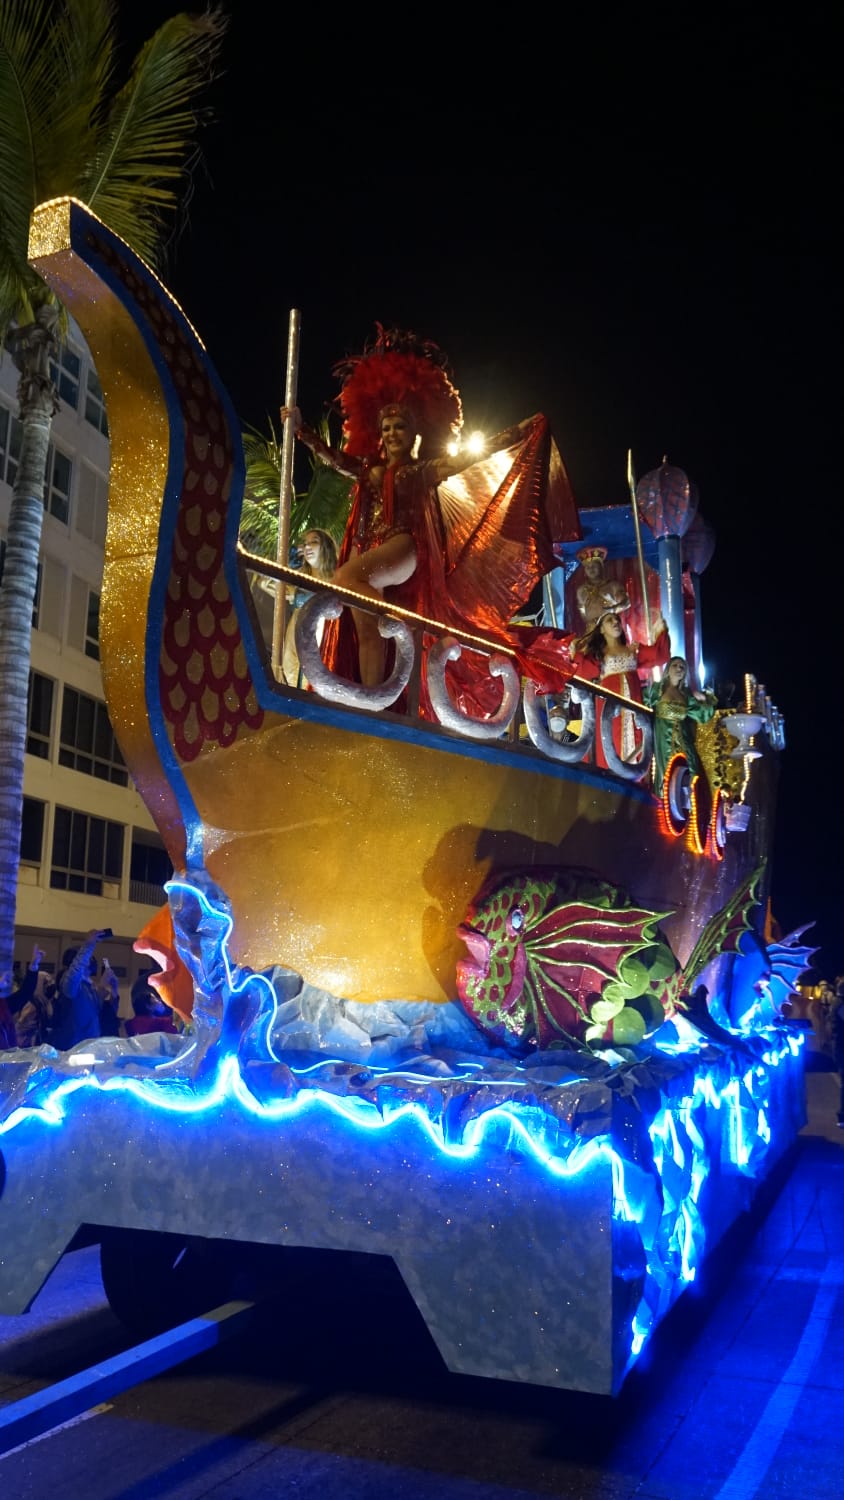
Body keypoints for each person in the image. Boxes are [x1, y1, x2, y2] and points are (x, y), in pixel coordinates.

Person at [281, 324, 581, 699]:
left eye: (399, 426)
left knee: (345, 577)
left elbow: (469, 459)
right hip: (375, 550)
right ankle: (372, 699)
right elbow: (336, 459)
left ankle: (384, 657)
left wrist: (517, 433)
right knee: (365, 631)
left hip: (405, 548)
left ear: (414, 432)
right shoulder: (370, 470)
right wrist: (302, 432)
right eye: (386, 427)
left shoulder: (422, 471)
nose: (392, 433)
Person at [570, 609, 670, 768]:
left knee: (637, 740)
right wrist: (576, 651)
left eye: (617, 619)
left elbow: (660, 656)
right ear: (601, 629)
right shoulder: (598, 655)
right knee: (611, 741)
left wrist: (661, 630)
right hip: (611, 707)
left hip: (634, 705)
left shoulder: (633, 650)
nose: (616, 622)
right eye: (609, 620)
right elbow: (581, 671)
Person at [644, 656, 717, 792]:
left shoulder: (686, 694)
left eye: (682, 667)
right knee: (667, 774)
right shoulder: (657, 689)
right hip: (664, 740)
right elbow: (641, 702)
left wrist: (704, 697)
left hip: (684, 742)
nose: (679, 668)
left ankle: (688, 801)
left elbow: (704, 715)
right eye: (675, 665)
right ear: (668, 669)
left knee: (689, 772)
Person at [281, 528, 339, 687]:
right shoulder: (300, 578)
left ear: (326, 547)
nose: (307, 546)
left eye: (314, 542)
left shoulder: (336, 579)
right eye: (305, 543)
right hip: (294, 637)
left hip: (319, 636)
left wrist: (301, 596)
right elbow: (268, 584)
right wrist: (289, 561)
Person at [46, 929, 110, 1051]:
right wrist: (88, 946)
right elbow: (75, 971)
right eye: (87, 961)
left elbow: (93, 1014)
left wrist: (104, 985)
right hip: (72, 1047)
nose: (89, 963)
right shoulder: (71, 985)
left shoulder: (88, 987)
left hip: (88, 1047)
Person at [574, 545, 631, 628]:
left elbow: (626, 603)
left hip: (610, 627)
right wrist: (589, 622)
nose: (591, 569)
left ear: (601, 567)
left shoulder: (613, 586)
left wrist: (612, 610)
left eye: (594, 566)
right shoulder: (581, 590)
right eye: (587, 567)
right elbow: (582, 609)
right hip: (592, 628)